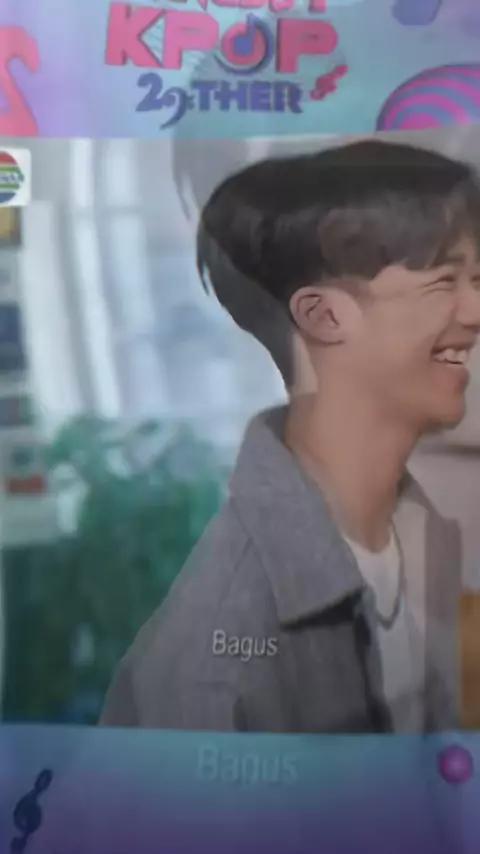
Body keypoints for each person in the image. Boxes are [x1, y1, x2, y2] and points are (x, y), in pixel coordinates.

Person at [101, 139, 480, 733]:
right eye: (444, 282)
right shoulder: (215, 667)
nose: (475, 310)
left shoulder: (419, 533)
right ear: (323, 316)